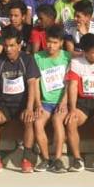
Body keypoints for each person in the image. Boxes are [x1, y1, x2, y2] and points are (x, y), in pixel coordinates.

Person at [0, 28, 38, 173]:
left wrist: (29, 108)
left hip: (22, 105)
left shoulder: (28, 59)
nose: (8, 49)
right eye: (6, 46)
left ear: (19, 45)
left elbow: (32, 84)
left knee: (29, 120)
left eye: (12, 45)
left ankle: (26, 160)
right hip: (3, 105)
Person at [64, 33, 94, 171]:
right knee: (71, 122)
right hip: (82, 101)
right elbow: (73, 86)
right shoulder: (76, 62)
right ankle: (77, 160)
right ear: (84, 52)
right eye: (92, 53)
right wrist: (72, 109)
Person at [30, 26, 69, 171]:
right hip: (45, 102)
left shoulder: (67, 57)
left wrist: (64, 101)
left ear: (61, 43)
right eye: (48, 42)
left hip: (61, 101)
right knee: (38, 122)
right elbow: (35, 83)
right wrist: (38, 104)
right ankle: (46, 159)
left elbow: (70, 83)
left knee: (57, 121)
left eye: (54, 42)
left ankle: (58, 159)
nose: (50, 46)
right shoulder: (37, 57)